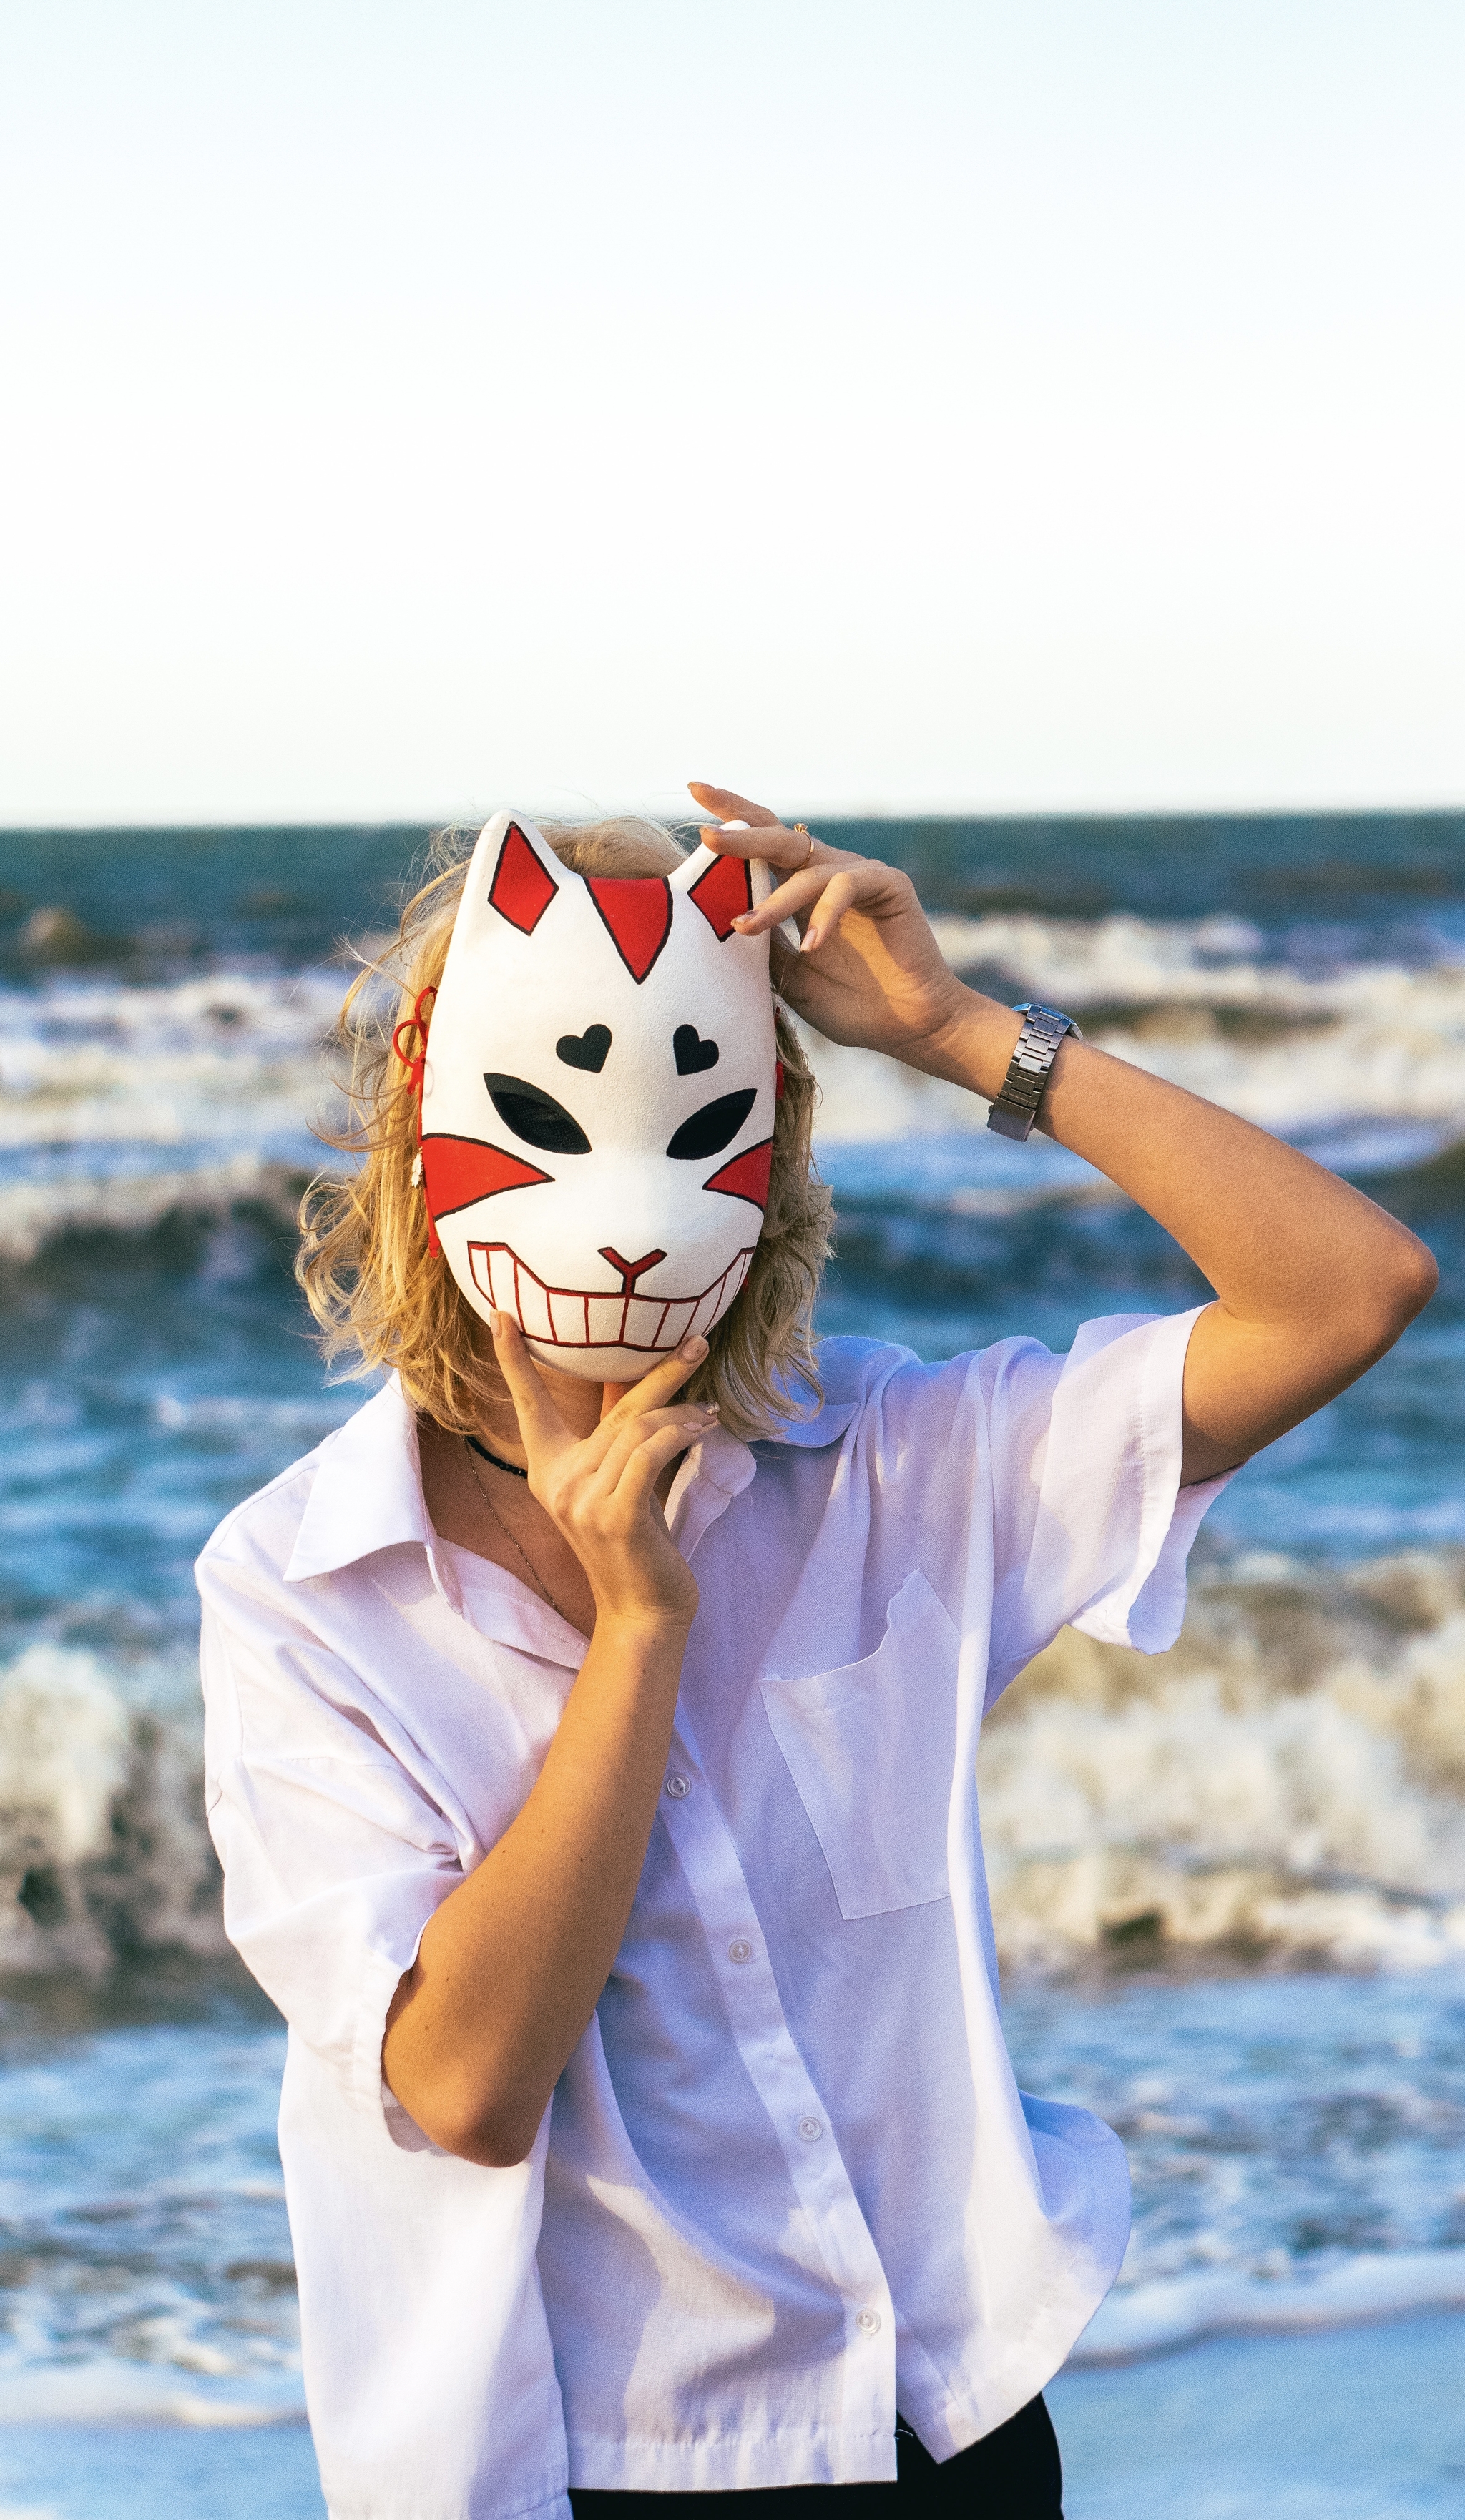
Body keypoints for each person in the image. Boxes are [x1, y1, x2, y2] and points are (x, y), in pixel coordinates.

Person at [197, 784, 1436, 2520]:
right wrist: (640, 1628)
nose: (628, 1214)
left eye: (704, 1122)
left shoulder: (894, 1465)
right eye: (549, 1115)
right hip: (607, 2472)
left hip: (949, 2427)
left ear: (771, 1145)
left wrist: (960, 1033)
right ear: (421, 1122)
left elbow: (1349, 1290)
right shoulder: (302, 1590)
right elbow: (467, 2081)